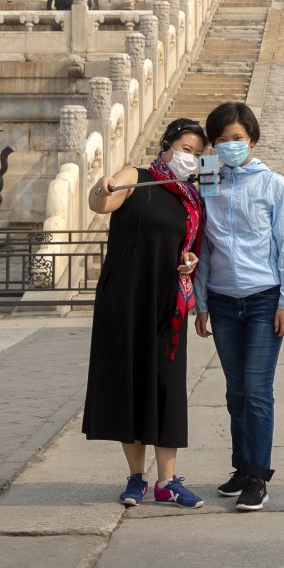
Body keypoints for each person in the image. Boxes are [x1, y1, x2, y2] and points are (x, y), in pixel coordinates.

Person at [82, 117, 209, 510]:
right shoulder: (137, 177)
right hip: (124, 298)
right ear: (168, 145)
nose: (190, 158)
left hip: (165, 303)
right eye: (186, 149)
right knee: (129, 383)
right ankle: (135, 478)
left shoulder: (191, 197)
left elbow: (189, 248)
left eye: (198, 154)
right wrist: (99, 188)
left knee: (167, 386)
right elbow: (102, 202)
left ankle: (167, 481)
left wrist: (189, 261)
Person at [193, 101, 284, 512]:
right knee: (235, 391)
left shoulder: (272, 183)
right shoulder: (207, 179)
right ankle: (241, 467)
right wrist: (201, 303)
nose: (230, 146)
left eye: (237, 139)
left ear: (251, 139)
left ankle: (258, 476)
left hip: (262, 299)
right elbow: (203, 242)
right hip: (221, 301)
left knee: (256, 391)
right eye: (222, 140)